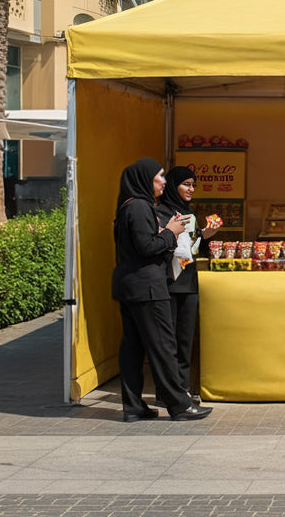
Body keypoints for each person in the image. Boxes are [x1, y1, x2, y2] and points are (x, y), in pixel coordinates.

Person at [112, 157, 212, 422]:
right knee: (164, 345)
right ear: (145, 180)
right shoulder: (142, 207)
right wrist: (170, 232)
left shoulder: (128, 206)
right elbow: (148, 247)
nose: (164, 182)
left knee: (133, 348)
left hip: (130, 285)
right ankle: (179, 405)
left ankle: (133, 407)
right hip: (147, 287)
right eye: (159, 177)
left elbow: (139, 244)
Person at [154, 164, 220, 405]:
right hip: (168, 284)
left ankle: (182, 390)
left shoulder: (188, 213)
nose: (191, 189)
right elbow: (158, 246)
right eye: (186, 184)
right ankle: (166, 392)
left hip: (189, 283)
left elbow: (190, 249)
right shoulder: (160, 213)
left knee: (185, 339)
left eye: (193, 185)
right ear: (173, 185)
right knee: (167, 340)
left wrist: (205, 234)